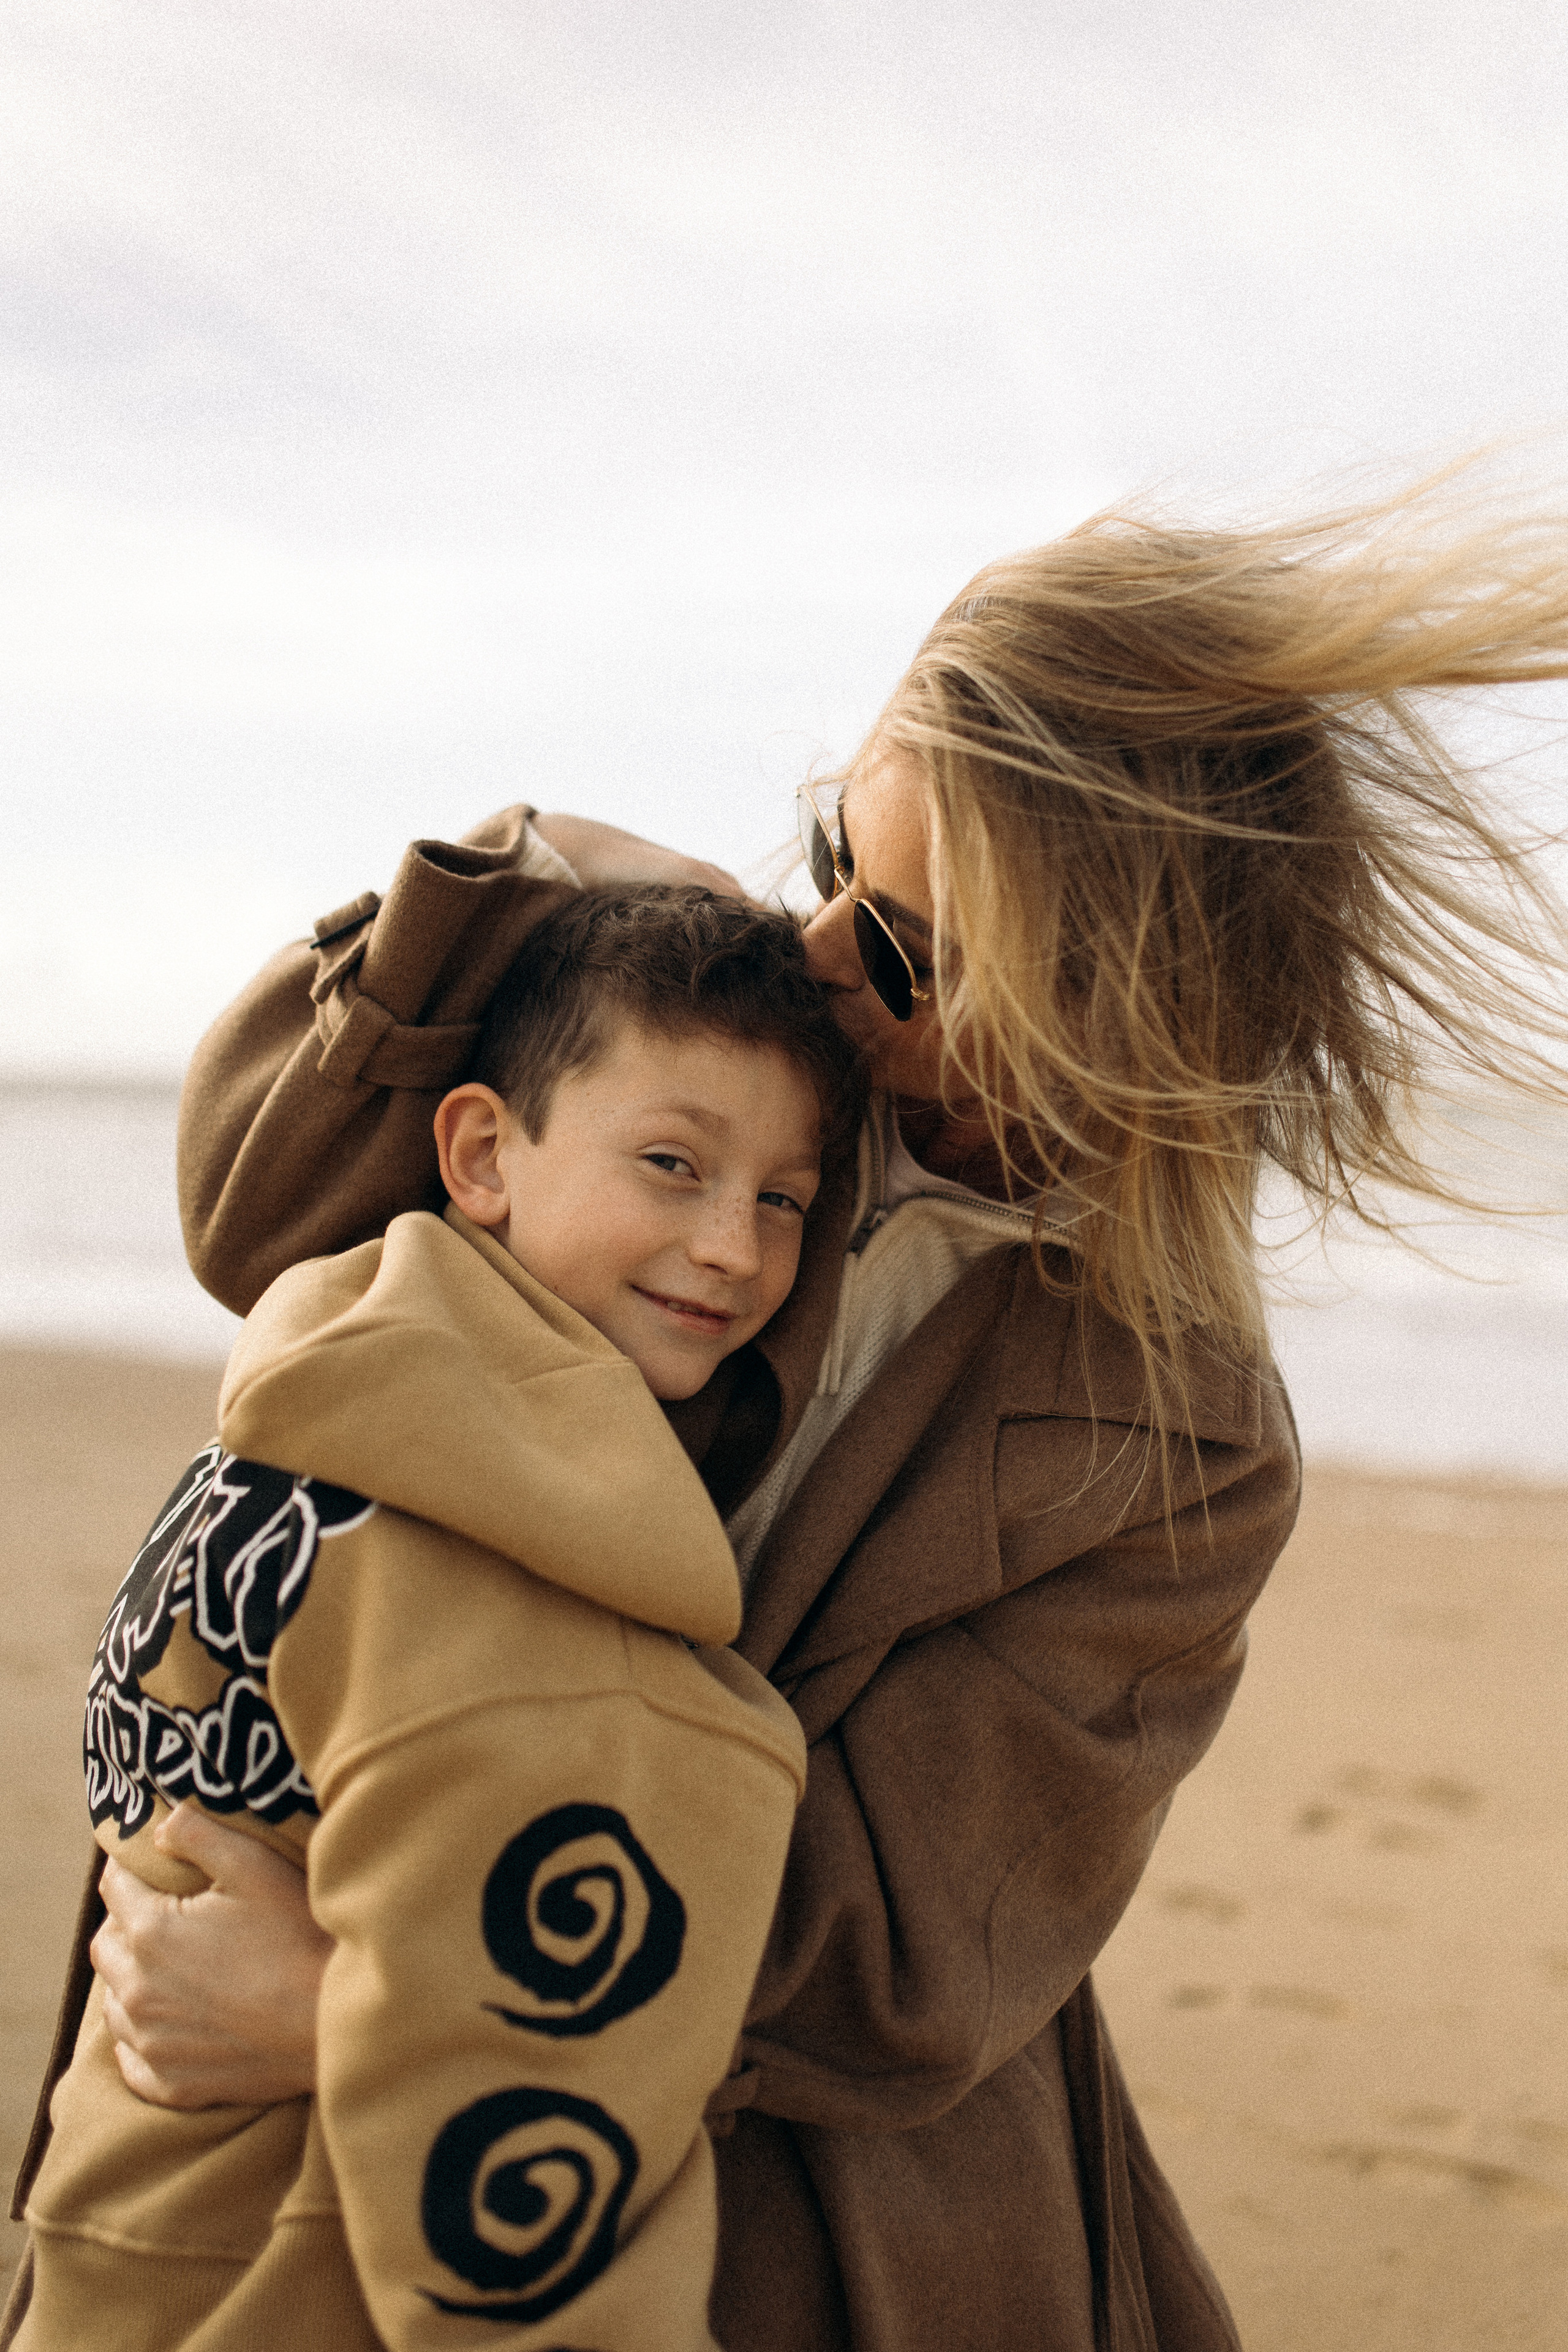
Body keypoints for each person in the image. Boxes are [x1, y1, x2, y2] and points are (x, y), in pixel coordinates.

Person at [28, 480, 1568, 2352]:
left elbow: (891, 1953)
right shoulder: (732, 1053)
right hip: (259, 2083)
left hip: (783, 2194)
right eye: (838, 847)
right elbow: (256, 1211)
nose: (830, 947)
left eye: (914, 948)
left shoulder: (1182, 1445)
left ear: (1112, 1011)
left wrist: (376, 2009)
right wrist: (522, 875)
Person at [9, 892, 866, 2352]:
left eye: (783, 1200)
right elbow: (530, 2227)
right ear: (479, 1154)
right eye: (672, 1165)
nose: (732, 1247)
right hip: (291, 2288)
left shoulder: (303, 1414)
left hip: (115, 2248)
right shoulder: (516, 1615)